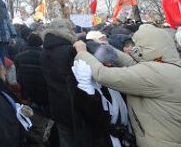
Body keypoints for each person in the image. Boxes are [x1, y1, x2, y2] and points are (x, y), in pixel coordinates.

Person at [73, 24, 181, 147]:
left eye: (137, 46)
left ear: (147, 47)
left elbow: (102, 74)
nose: (133, 49)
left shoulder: (156, 74)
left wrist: (82, 53)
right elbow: (134, 64)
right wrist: (104, 48)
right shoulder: (169, 65)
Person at [40, 18, 79, 147]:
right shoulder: (70, 50)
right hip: (74, 104)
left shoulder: (44, 51)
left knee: (65, 138)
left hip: (56, 103)